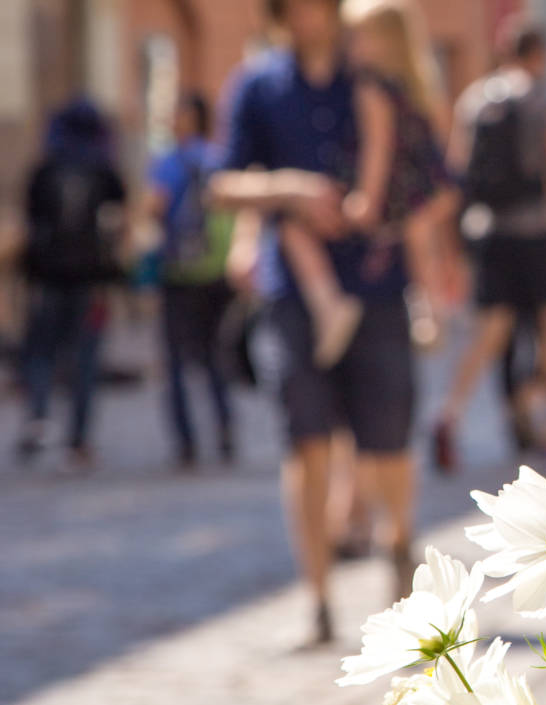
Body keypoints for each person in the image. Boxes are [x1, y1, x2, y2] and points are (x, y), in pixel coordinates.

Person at [208, 0, 421, 644]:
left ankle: (400, 560)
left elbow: (427, 174)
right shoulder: (257, 87)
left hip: (378, 281)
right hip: (295, 294)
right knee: (306, 441)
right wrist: (289, 190)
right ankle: (319, 598)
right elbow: (222, 184)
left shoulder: (376, 81)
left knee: (388, 440)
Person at [434, 20, 546, 468]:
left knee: (489, 330)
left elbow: (456, 170)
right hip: (537, 230)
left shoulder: (474, 98)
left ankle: (449, 412)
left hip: (488, 231)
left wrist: (452, 245)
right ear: (540, 54)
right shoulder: (541, 98)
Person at [277, 0, 456, 367]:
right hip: (418, 194)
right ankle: (429, 311)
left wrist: (366, 202)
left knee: (292, 227)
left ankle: (329, 307)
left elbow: (378, 148)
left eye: (356, 38)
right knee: (418, 241)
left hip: (385, 197)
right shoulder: (416, 88)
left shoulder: (370, 88)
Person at [15, 99, 128, 468]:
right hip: (90, 279)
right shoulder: (102, 168)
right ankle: (77, 440)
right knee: (85, 358)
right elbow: (118, 221)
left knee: (42, 351)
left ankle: (39, 416)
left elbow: (29, 224)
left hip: (47, 276)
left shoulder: (46, 168)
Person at [143, 93, 237, 470]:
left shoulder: (168, 162)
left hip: (178, 272)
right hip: (216, 271)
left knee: (177, 362)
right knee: (215, 355)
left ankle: (186, 442)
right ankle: (225, 429)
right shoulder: (217, 158)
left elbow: (154, 207)